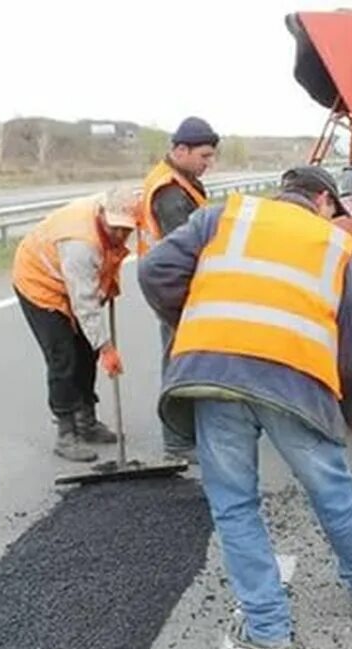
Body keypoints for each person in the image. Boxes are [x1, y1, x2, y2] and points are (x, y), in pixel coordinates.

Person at [136, 165, 352, 649]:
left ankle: (267, 630)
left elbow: (152, 271)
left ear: (284, 193)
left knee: (233, 503)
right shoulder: (338, 251)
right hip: (296, 384)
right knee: (331, 489)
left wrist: (195, 322)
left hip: (213, 371)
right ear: (324, 202)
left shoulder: (224, 217)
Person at [12, 186, 139, 462]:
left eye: (126, 230)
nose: (120, 235)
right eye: (115, 228)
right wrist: (107, 348)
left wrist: (97, 344)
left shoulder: (118, 218)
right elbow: (85, 302)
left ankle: (87, 421)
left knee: (86, 349)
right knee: (63, 356)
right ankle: (66, 432)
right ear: (103, 215)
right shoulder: (80, 242)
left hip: (73, 279)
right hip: (40, 281)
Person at [137, 116, 219, 460]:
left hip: (177, 285)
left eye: (211, 156)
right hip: (174, 289)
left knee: (185, 358)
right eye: (203, 156)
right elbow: (184, 249)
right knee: (179, 361)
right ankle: (177, 442)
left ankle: (189, 433)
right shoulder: (170, 193)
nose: (208, 164)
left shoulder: (181, 182)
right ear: (181, 150)